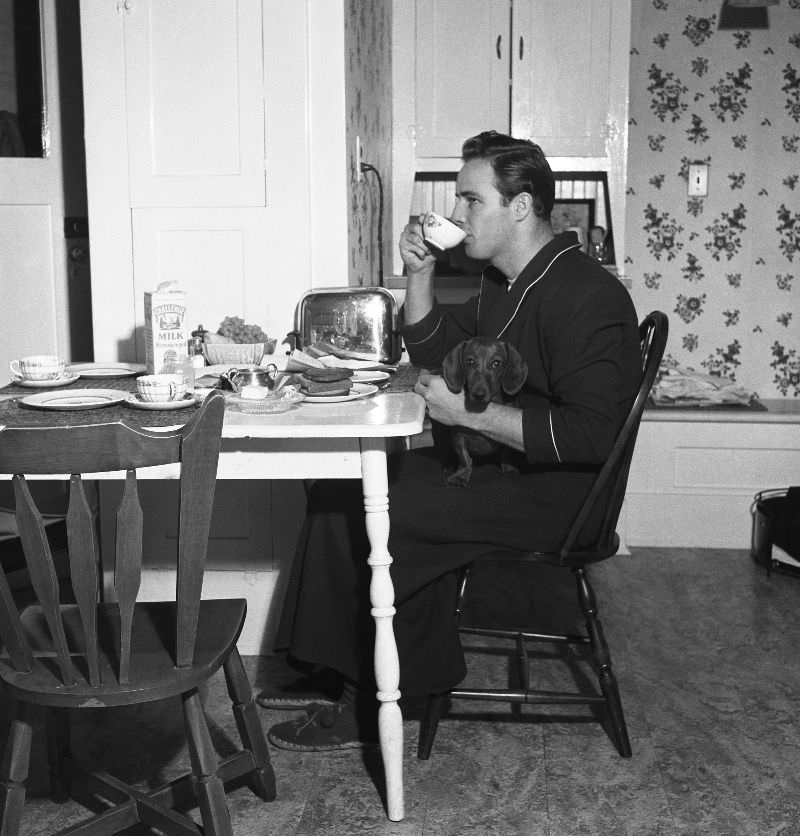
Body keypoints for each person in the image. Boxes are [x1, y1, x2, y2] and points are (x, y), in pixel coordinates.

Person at [263, 131, 642, 751]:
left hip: (561, 496)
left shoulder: (587, 294)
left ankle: (378, 696)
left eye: (471, 201)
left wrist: (469, 418)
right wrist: (420, 273)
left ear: (520, 207)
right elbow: (437, 347)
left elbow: (593, 434)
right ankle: (346, 671)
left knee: (378, 510)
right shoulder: (506, 283)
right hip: (503, 472)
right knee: (341, 489)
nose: (456, 215)